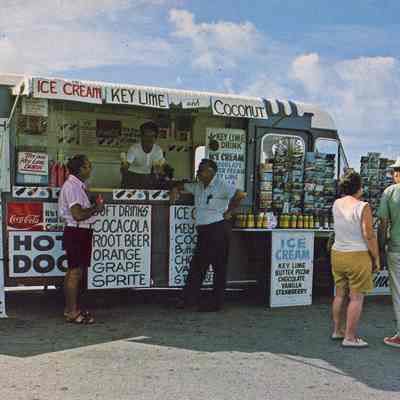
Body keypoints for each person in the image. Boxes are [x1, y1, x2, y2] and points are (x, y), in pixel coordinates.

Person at [170, 158, 246, 312]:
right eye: (198, 169)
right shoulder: (198, 186)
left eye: (201, 169)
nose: (198, 172)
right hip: (204, 231)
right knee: (198, 266)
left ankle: (215, 303)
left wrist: (229, 211)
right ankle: (189, 299)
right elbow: (181, 185)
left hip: (218, 229)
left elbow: (240, 194)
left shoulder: (221, 185)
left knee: (218, 267)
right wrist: (175, 189)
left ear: (211, 171)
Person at [330, 169, 379, 347]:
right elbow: (369, 235)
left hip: (338, 253)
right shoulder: (362, 206)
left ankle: (337, 330)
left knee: (339, 294)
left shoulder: (336, 204)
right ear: (359, 187)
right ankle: (350, 337)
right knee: (356, 297)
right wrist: (376, 257)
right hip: (357, 255)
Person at [58, 154, 104, 324]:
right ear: (80, 169)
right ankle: (72, 312)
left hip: (79, 232)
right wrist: (96, 208)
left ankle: (71, 308)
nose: (90, 169)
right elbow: (77, 215)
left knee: (74, 272)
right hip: (77, 231)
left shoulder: (78, 186)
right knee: (74, 272)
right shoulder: (72, 187)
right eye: (88, 166)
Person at [378, 158, 400, 348]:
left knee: (399, 292)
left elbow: (383, 223)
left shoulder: (390, 192)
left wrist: (380, 247)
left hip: (397, 249)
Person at [120, 121, 168, 188]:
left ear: (155, 137)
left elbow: (158, 168)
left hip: (148, 177)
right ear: (141, 136)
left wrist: (161, 170)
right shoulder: (134, 148)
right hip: (132, 177)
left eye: (152, 136)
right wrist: (124, 170)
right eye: (146, 136)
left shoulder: (158, 150)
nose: (148, 139)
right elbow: (125, 166)